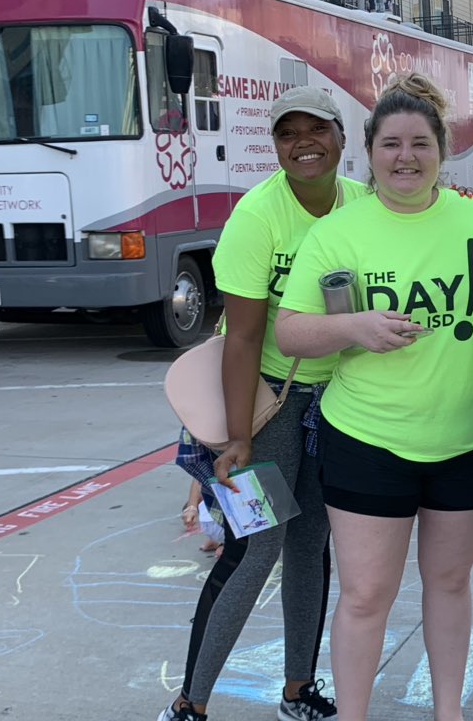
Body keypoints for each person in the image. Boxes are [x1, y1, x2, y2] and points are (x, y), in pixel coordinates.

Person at [275, 73, 473, 721]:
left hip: (467, 440)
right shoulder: (340, 232)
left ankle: (448, 711)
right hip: (367, 440)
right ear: (368, 152)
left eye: (420, 143)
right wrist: (354, 326)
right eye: (392, 144)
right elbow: (290, 329)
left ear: (443, 150)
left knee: (450, 583)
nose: (406, 157)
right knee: (366, 595)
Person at [158, 86, 369, 721]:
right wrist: (236, 438)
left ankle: (298, 689)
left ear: (340, 136)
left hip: (336, 406)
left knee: (311, 545)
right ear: (275, 145)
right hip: (266, 405)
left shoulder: (363, 206)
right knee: (256, 547)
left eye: (316, 130)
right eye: (287, 133)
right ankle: (189, 703)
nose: (303, 143)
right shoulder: (258, 217)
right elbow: (242, 334)